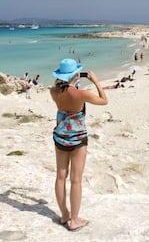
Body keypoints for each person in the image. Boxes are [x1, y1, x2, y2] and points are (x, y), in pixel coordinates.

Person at [50, 59, 108, 231]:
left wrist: (72, 82)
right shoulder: (81, 94)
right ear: (75, 74)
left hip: (60, 136)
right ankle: (74, 220)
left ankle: (64, 215)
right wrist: (96, 81)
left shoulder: (53, 91)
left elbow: (64, 93)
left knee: (60, 177)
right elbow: (104, 100)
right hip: (77, 138)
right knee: (76, 180)